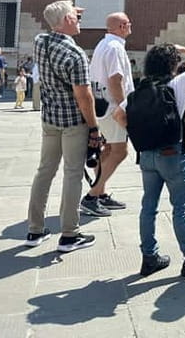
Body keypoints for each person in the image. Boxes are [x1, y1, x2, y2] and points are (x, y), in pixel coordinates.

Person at [113, 43, 185, 278]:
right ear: (172, 65)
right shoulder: (177, 84)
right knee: (180, 208)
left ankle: (150, 257)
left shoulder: (137, 92)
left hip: (146, 155)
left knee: (148, 207)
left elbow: (118, 115)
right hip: (172, 154)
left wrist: (138, 131)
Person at [25, 0, 100, 253]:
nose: (79, 20)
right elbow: (84, 96)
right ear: (67, 21)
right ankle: (69, 233)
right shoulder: (75, 54)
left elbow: (56, 25)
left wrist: (66, 14)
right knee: (72, 174)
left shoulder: (40, 42)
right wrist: (94, 127)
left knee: (44, 170)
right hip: (72, 121)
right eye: (75, 17)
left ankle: (35, 229)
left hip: (50, 117)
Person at [80, 12, 134, 217]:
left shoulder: (104, 45)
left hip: (102, 104)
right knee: (120, 151)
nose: (130, 26)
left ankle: (100, 192)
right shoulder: (115, 47)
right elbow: (116, 79)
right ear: (121, 26)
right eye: (128, 24)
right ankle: (92, 196)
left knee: (109, 149)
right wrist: (123, 107)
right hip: (112, 107)